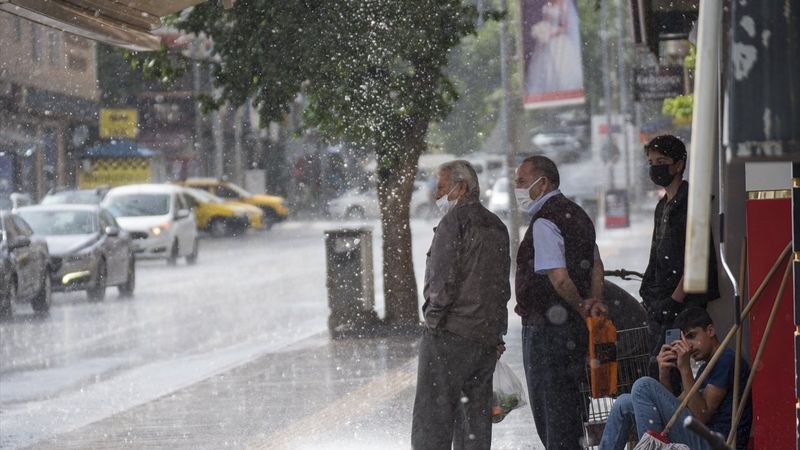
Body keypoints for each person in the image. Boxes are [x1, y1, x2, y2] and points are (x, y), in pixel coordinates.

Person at [411, 160, 511, 450]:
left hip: (449, 336)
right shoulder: (496, 225)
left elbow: (442, 284)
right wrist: (496, 334)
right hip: (484, 339)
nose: (437, 194)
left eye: (442, 187)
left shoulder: (453, 224)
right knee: (474, 424)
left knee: (433, 421)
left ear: (461, 187)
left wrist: (432, 323)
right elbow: (500, 288)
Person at [513, 155, 607, 450]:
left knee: (551, 415)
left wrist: (580, 304)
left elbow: (559, 277)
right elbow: (596, 266)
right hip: (573, 333)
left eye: (522, 181)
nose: (517, 188)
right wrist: (593, 303)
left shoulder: (545, 221)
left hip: (547, 333)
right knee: (573, 411)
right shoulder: (578, 214)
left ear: (543, 183)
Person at [599, 307, 752, 450]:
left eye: (692, 336)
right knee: (624, 403)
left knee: (643, 385)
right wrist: (664, 375)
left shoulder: (725, 359)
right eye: (684, 339)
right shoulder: (707, 367)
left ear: (710, 331)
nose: (689, 345)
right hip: (700, 436)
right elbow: (679, 407)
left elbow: (702, 415)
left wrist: (684, 368)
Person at [640, 135, 720, 384]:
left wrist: (674, 301)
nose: (656, 167)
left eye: (662, 161)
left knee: (664, 368)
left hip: (684, 304)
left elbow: (696, 257)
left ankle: (675, 418)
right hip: (664, 301)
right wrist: (649, 292)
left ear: (679, 164)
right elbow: (656, 255)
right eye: (651, 162)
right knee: (664, 367)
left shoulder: (691, 204)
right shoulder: (662, 206)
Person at [525, 0, 584, 96]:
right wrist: (543, 31)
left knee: (561, 65)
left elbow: (565, 26)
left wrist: (552, 33)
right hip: (548, 39)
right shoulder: (548, 4)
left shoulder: (564, 4)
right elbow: (546, 22)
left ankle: (564, 91)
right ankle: (549, 91)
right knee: (545, 65)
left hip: (559, 38)